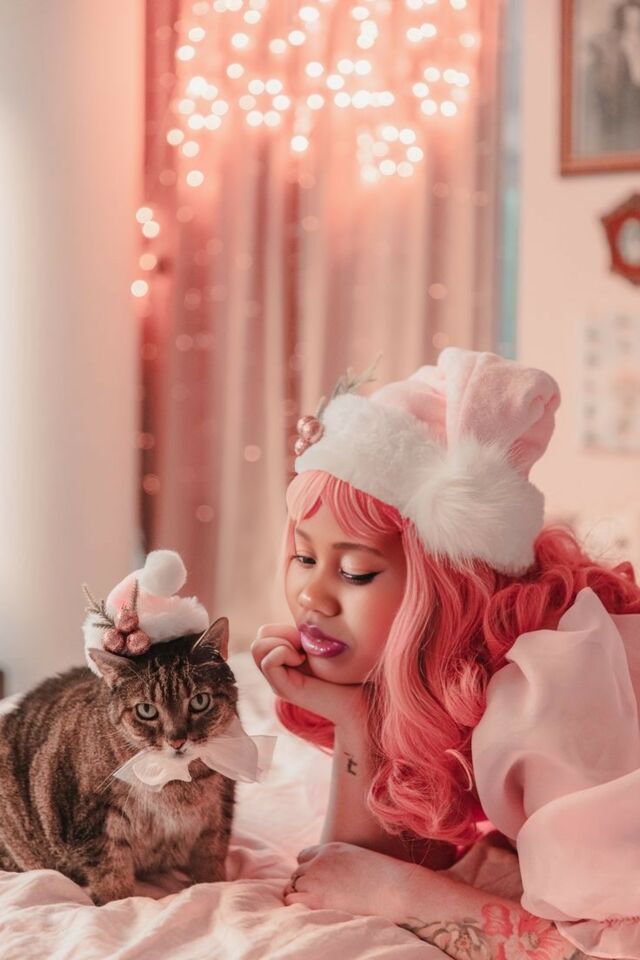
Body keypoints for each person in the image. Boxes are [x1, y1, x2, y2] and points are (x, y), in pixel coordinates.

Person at [252, 348, 640, 960]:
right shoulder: (450, 678)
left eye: (355, 572)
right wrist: (355, 718)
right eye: (303, 557)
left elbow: (609, 947)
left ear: (442, 589)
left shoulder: (549, 688)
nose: (311, 598)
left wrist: (401, 895)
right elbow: (345, 871)